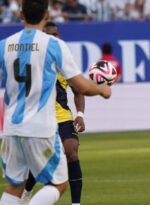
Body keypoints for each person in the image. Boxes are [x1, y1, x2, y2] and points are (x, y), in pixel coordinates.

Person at [0, 1, 111, 205]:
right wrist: (102, 90)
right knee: (58, 184)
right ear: (46, 14)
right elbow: (83, 87)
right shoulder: (53, 45)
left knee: (15, 186)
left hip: (11, 127)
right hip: (40, 127)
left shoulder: (4, 45)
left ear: (21, 14)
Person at [20, 21, 86, 205]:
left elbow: (79, 90)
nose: (55, 37)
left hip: (63, 118)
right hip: (39, 119)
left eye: (56, 34)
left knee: (72, 151)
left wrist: (80, 114)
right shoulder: (32, 62)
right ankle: (27, 191)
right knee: (38, 163)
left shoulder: (65, 61)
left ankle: (76, 203)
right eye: (50, 34)